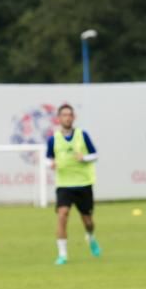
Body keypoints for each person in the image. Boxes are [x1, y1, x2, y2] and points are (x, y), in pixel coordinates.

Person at [47, 103, 100, 265]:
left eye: (70, 115)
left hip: (83, 184)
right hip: (64, 185)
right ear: (59, 118)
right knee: (62, 215)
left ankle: (90, 236)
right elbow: (47, 158)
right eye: (64, 115)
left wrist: (84, 158)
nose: (67, 118)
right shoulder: (53, 139)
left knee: (88, 221)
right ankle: (62, 254)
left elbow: (95, 154)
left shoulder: (82, 135)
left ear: (74, 117)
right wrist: (50, 164)